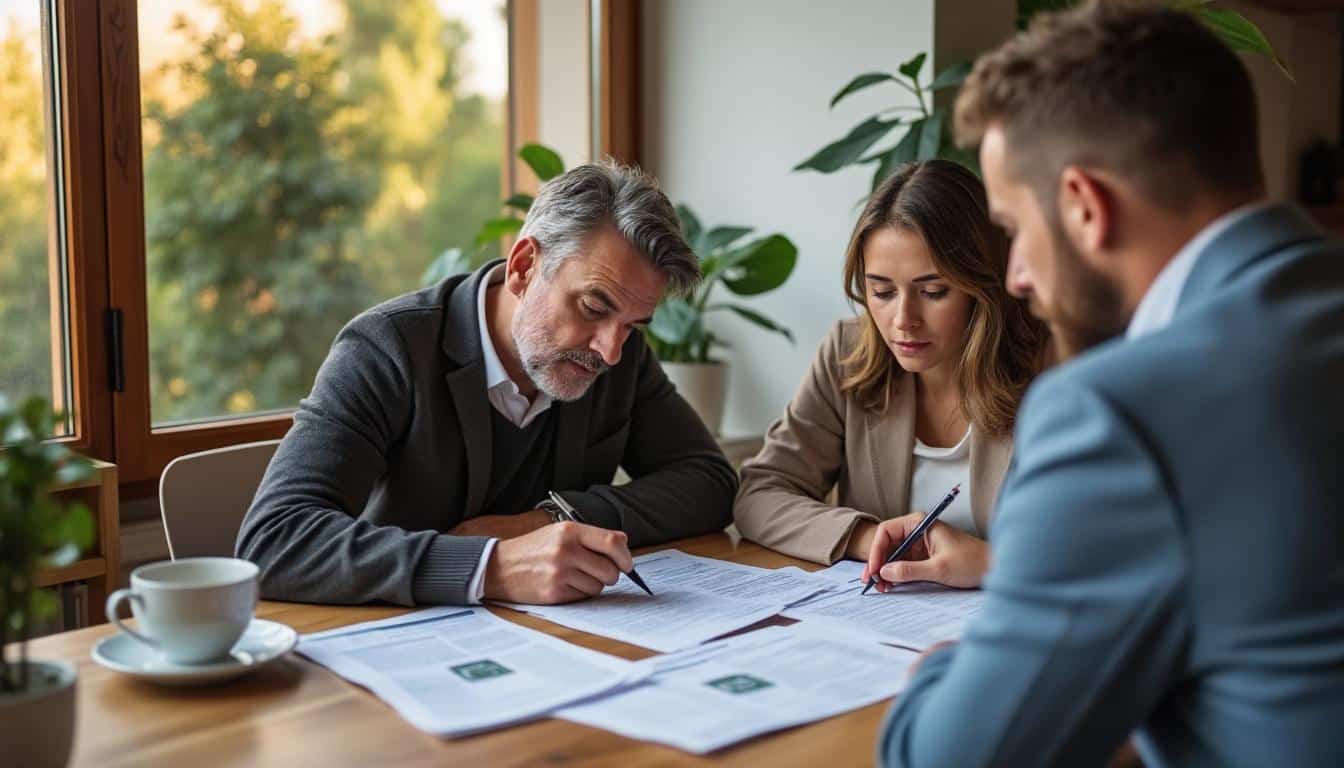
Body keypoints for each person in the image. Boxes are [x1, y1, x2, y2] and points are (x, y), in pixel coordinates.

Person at [878, 3, 1344, 766]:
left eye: (1016, 230)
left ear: (1084, 206)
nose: (1018, 277)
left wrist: (942, 674)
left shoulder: (1119, 412)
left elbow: (950, 757)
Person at [236, 161, 738, 607]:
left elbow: (710, 483)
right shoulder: (386, 348)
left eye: (632, 325)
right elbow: (275, 540)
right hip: (398, 647)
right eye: (592, 308)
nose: (610, 351)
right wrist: (492, 565)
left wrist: (548, 520)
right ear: (524, 267)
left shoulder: (616, 355)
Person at [734, 159, 1046, 589]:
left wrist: (994, 564)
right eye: (881, 291)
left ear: (983, 287)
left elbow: (1115, 549)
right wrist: (867, 537)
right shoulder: (848, 353)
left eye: (933, 292)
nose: (903, 320)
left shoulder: (1050, 369)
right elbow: (760, 494)